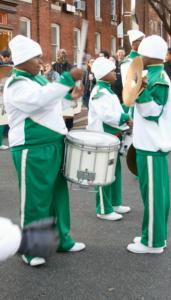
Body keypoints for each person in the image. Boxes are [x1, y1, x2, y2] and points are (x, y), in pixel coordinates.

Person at [3, 35, 85, 267]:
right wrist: (68, 79)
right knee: (37, 199)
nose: (41, 61)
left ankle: (62, 240)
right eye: (36, 57)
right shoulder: (16, 84)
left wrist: (70, 98)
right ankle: (32, 249)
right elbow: (38, 101)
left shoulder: (36, 79)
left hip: (53, 145)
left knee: (58, 195)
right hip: (32, 148)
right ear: (23, 60)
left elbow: (52, 104)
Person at [126, 35, 171, 254]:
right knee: (156, 195)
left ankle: (153, 242)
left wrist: (140, 92)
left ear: (148, 56)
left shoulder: (157, 78)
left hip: (151, 146)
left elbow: (152, 112)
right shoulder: (157, 74)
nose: (138, 58)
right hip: (151, 145)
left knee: (153, 196)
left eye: (141, 54)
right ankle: (155, 235)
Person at [87, 57, 131, 221]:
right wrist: (126, 116)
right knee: (103, 174)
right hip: (103, 138)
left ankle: (115, 202)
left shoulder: (107, 91)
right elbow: (107, 115)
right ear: (104, 74)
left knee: (115, 171)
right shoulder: (100, 92)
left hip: (112, 138)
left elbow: (115, 110)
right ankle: (104, 209)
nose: (115, 73)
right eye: (112, 71)